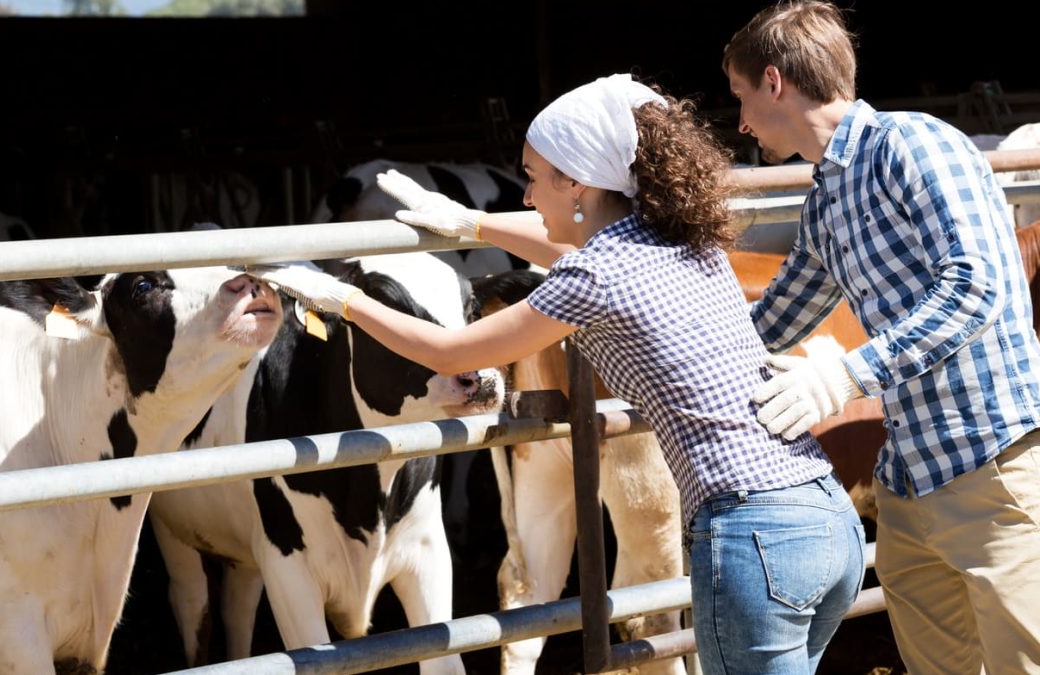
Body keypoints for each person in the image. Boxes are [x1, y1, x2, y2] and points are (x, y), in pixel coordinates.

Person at [247, 73, 864, 674]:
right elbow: (571, 250)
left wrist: (343, 300)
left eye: (534, 178)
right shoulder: (682, 238)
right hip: (827, 519)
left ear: (577, 183)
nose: (525, 196)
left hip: (752, 536)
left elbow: (450, 353)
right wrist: (471, 223)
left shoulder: (595, 278)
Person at [723, 2, 1040, 673]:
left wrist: (845, 376)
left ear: (775, 81)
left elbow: (975, 288)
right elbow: (771, 322)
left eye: (741, 97)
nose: (742, 121)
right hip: (908, 482)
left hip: (994, 465)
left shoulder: (914, 144)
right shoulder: (827, 200)